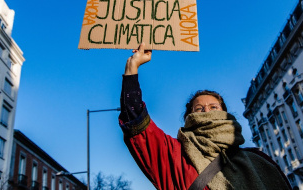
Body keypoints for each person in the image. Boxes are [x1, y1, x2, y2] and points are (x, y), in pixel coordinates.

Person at [119, 43, 291, 190]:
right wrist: (132, 67)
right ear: (189, 118)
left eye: (214, 107)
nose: (207, 111)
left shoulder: (259, 160)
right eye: (199, 109)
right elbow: (137, 125)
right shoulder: (175, 155)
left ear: (225, 114)